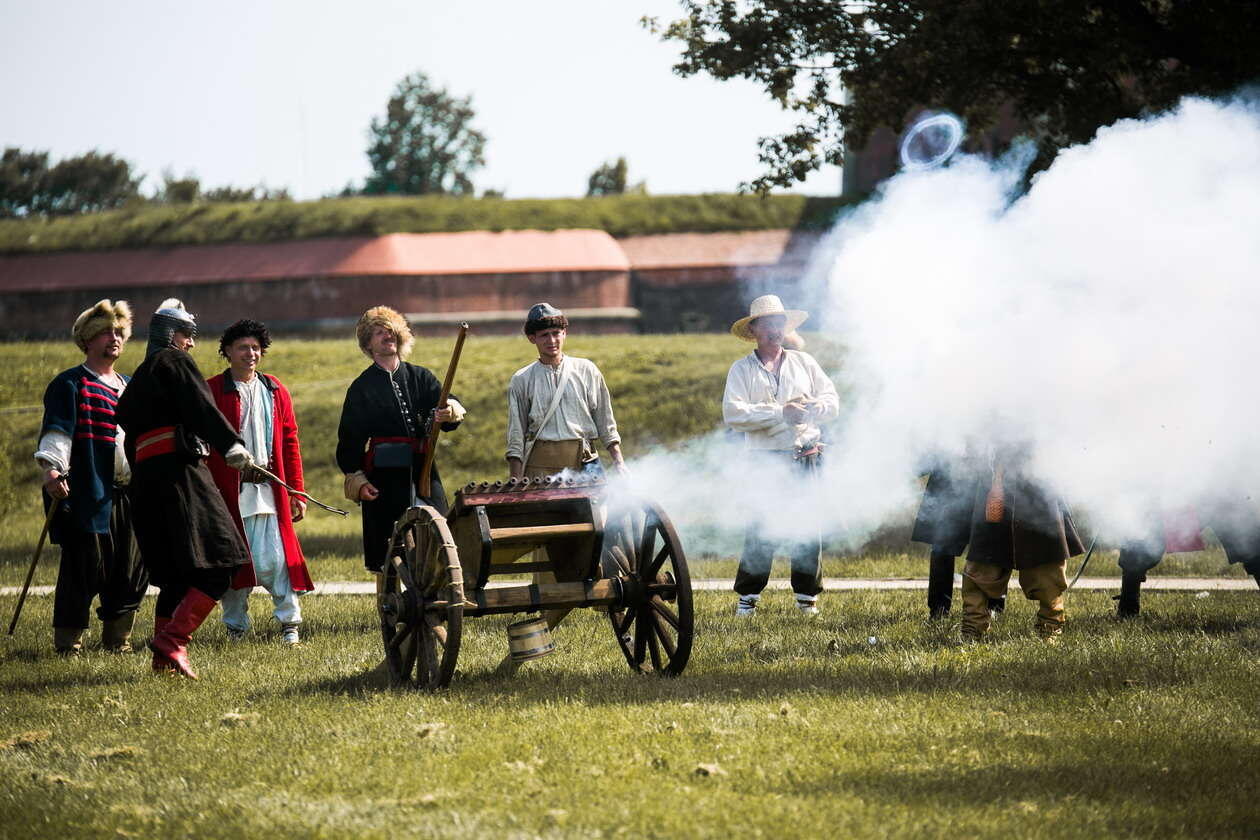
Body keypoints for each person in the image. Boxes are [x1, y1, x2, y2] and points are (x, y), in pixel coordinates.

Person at [114, 299, 257, 679]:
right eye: (186, 335)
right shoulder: (174, 361)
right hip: (181, 475)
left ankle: (163, 662)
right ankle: (173, 640)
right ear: (170, 334)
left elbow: (130, 436)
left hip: (146, 484)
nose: (191, 343)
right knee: (224, 559)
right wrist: (230, 444)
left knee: (177, 576)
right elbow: (199, 405)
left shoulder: (138, 380)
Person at [34, 299, 149, 654]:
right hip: (87, 492)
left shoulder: (130, 386)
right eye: (104, 333)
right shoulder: (71, 384)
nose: (113, 338)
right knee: (84, 567)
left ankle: (118, 640)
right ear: (86, 340)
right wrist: (52, 470)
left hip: (129, 493)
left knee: (129, 567)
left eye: (119, 332)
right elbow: (57, 432)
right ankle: (69, 643)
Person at [723, 294, 839, 617]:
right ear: (754, 330)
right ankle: (748, 599)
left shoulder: (805, 362)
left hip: (805, 455)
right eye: (768, 324)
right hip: (765, 458)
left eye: (779, 323)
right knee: (761, 528)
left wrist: (816, 407)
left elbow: (832, 401)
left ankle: (807, 598)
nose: (775, 330)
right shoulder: (741, 369)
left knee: (808, 527)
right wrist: (780, 413)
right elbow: (734, 414)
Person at [336, 306, 465, 583]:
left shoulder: (420, 377)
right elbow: (349, 442)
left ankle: (438, 593)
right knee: (390, 550)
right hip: (384, 478)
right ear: (368, 344)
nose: (387, 336)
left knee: (439, 535)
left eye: (391, 331)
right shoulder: (361, 387)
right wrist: (358, 480)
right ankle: (391, 602)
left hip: (423, 470)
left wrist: (447, 412)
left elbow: (448, 405)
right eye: (378, 333)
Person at [206, 319, 314, 645]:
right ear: (227, 351)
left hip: (269, 490)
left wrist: (297, 491)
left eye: (255, 347)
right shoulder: (212, 390)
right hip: (229, 492)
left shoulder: (275, 389)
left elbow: (290, 442)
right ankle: (236, 627)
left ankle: (289, 623)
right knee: (235, 561)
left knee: (277, 560)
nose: (250, 353)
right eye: (243, 347)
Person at [955, 444, 1084, 642]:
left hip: (1038, 487)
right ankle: (972, 632)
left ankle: (1050, 629)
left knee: (1047, 571)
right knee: (981, 570)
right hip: (995, 486)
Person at [506, 302, 625, 480]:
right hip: (540, 471)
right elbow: (516, 434)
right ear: (532, 338)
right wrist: (515, 481)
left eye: (556, 333)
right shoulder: (521, 379)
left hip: (585, 466)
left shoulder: (587, 370)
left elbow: (605, 421)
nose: (552, 341)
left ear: (564, 333)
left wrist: (619, 462)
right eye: (544, 335)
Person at [1114, 498, 1260, 617]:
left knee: (1244, 529)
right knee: (1141, 536)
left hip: (1211, 488)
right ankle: (1128, 607)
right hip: (1168, 491)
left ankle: (1128, 607)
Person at [911, 458, 1005, 620]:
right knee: (942, 548)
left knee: (991, 548)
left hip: (985, 479)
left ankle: (993, 606)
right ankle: (939, 610)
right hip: (949, 480)